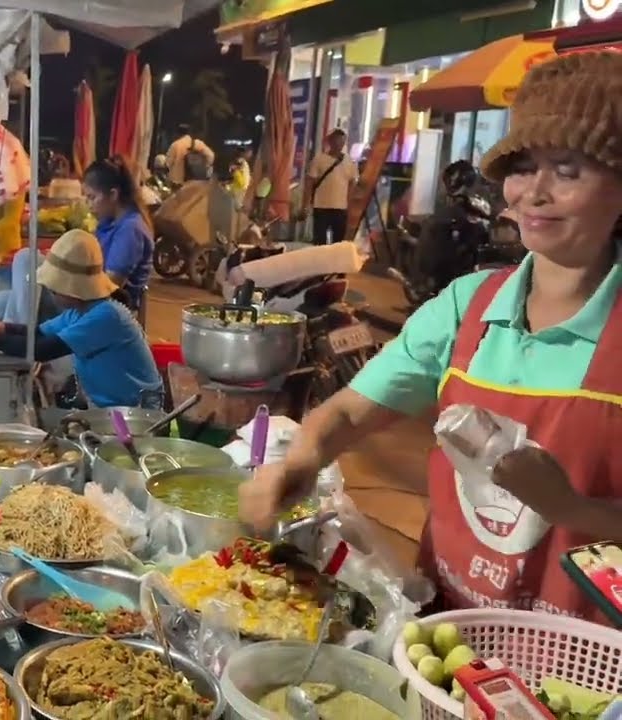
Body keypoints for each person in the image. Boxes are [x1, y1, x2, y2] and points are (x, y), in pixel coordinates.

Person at [239, 52, 622, 622]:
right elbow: (348, 413)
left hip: (583, 665)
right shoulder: (468, 306)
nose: (533, 193)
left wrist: (571, 508)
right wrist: (299, 466)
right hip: (446, 632)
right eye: (521, 168)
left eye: (567, 171)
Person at [0, 229, 163, 408]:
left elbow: (42, 350)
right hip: (108, 407)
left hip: (138, 412)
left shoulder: (106, 316)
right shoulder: (79, 312)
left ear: (74, 289)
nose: (50, 292)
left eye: (55, 288)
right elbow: (37, 334)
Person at [84, 156, 154, 309]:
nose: (87, 204)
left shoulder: (130, 229)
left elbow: (110, 286)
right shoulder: (108, 222)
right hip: (93, 300)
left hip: (108, 309)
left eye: (92, 197)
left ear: (113, 195)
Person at [303, 129, 358, 244]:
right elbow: (309, 183)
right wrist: (306, 204)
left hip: (341, 209)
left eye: (342, 142)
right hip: (321, 207)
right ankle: (320, 261)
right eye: (336, 141)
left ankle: (335, 262)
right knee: (320, 242)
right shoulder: (319, 160)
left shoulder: (350, 162)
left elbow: (352, 186)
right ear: (330, 142)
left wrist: (351, 208)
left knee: (338, 243)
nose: (339, 144)